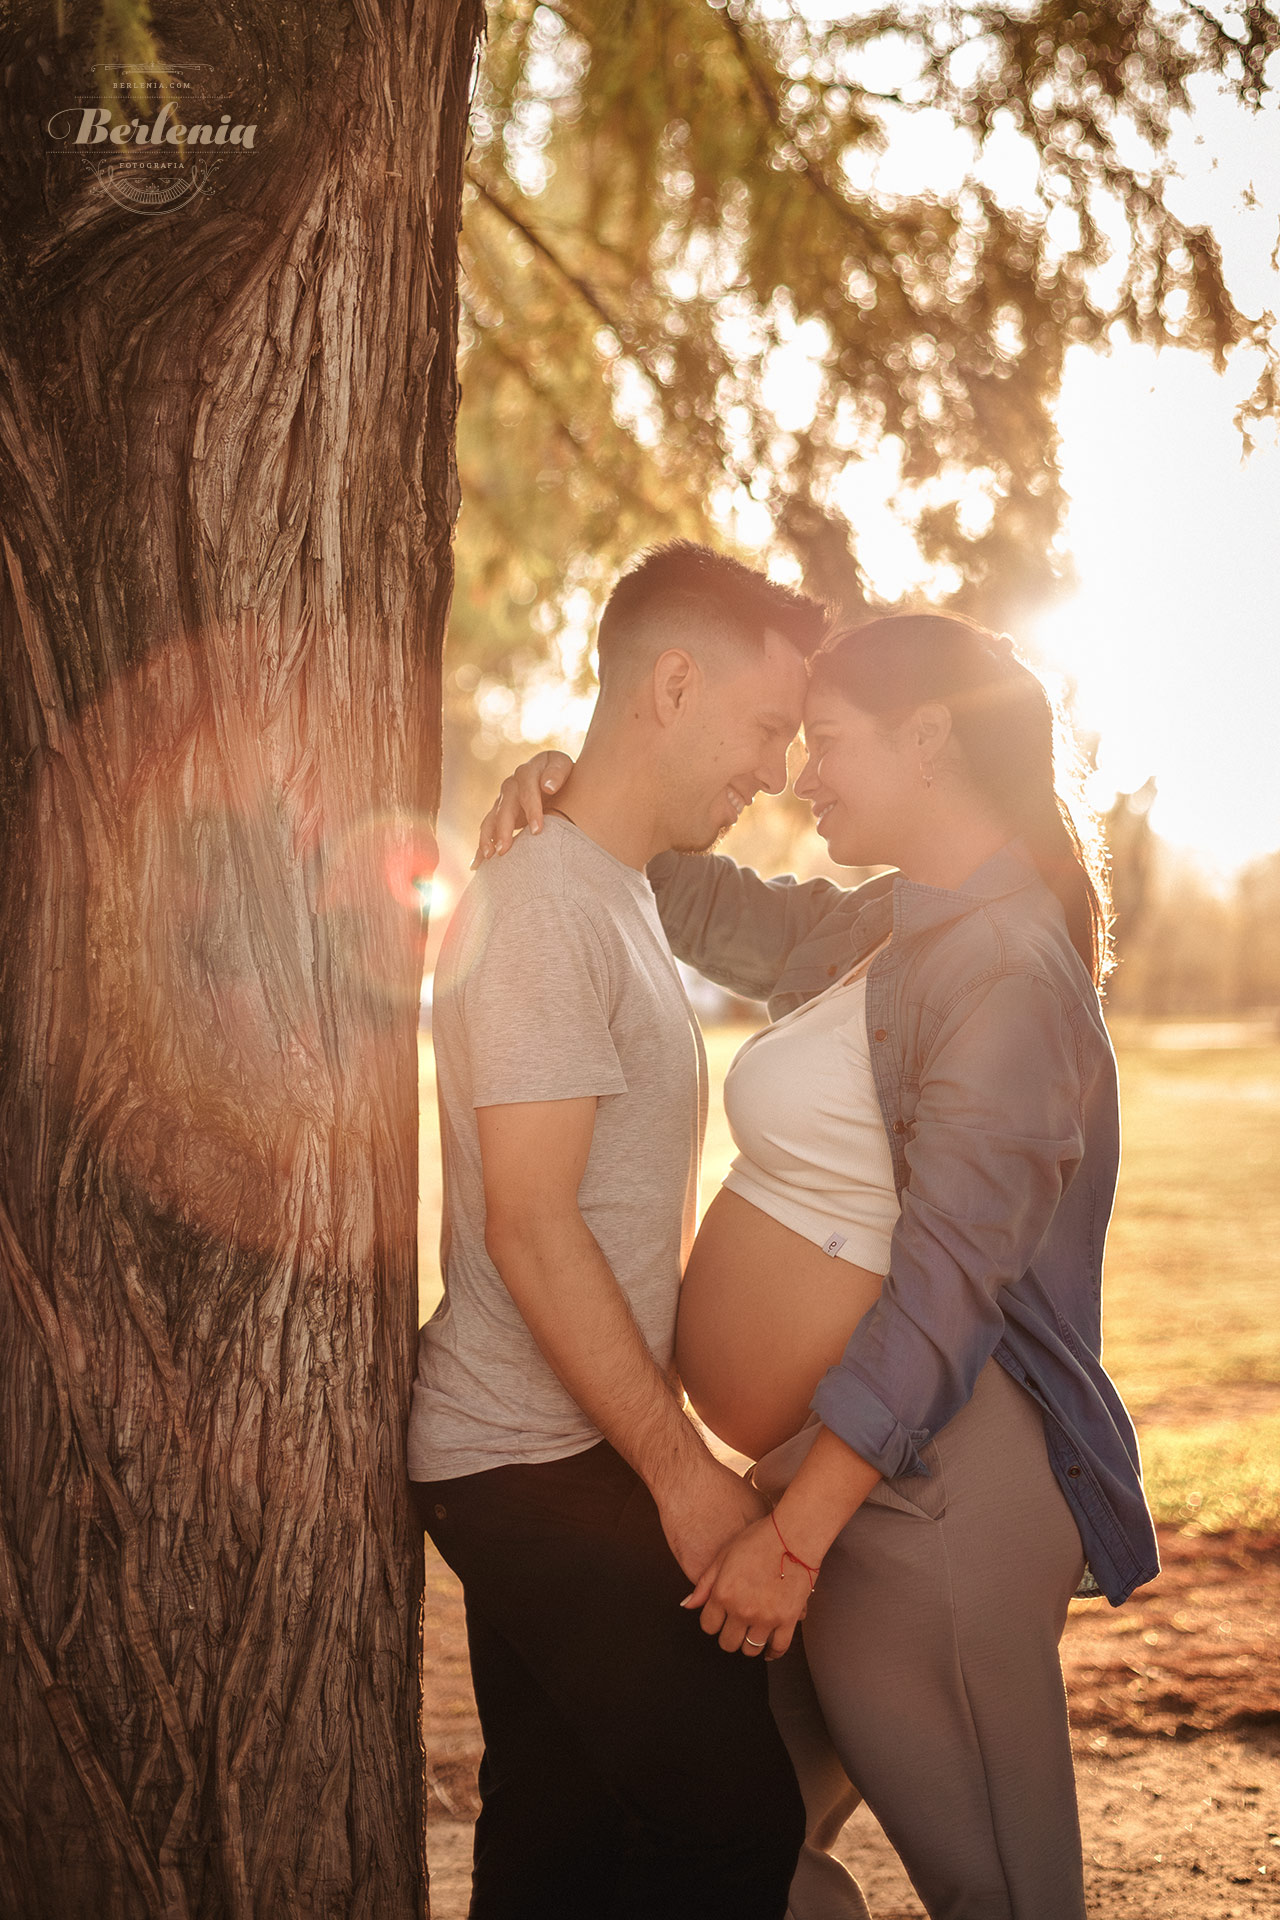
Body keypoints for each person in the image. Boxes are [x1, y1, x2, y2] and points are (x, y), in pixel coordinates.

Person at [480, 611, 1160, 1920]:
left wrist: (791, 1541)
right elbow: (729, 915)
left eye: (830, 743)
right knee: (709, 1847)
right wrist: (583, 799)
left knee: (1004, 1901)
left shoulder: (1009, 974)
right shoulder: (899, 931)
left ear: (932, 741)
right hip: (840, 1491)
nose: (802, 776)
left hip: (930, 1499)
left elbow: (949, 1286)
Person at [408, 542, 829, 1919]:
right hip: (531, 1459)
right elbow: (532, 1230)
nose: (774, 768)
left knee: (558, 1844)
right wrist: (685, 1476)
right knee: (734, 1820)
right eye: (766, 727)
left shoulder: (614, 890)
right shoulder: (539, 906)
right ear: (674, 682)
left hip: (570, 1444)